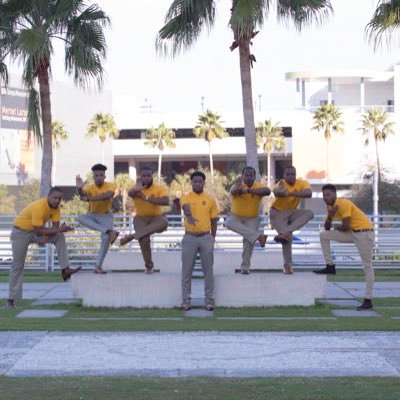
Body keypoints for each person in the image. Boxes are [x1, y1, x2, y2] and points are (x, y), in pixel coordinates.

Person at [6, 187, 81, 308]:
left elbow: (55, 227)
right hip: (20, 232)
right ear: (48, 196)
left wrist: (45, 238)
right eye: (55, 198)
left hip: (36, 232)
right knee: (18, 265)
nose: (57, 201)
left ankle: (65, 270)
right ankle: (11, 299)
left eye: (59, 199)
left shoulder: (56, 209)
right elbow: (39, 229)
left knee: (59, 236)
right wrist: (55, 230)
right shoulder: (39, 207)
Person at [314, 184, 375, 311]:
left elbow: (346, 226)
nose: (326, 197)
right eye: (324, 195)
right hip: (352, 233)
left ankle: (368, 300)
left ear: (335, 194)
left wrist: (335, 227)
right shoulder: (330, 206)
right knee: (324, 235)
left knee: (367, 266)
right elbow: (326, 227)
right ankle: (330, 266)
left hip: (364, 233)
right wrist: (330, 215)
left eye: (328, 194)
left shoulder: (344, 203)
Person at [180, 171, 218, 311]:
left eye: (200, 181)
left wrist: (212, 238)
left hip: (205, 237)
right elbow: (185, 206)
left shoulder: (210, 200)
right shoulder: (186, 197)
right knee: (186, 270)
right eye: (195, 181)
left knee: (208, 270)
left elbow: (214, 220)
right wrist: (189, 215)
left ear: (204, 183)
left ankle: (209, 301)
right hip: (189, 237)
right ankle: (185, 301)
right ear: (191, 183)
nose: (197, 183)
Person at [119, 167, 169, 273]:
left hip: (157, 218)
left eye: (148, 176)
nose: (146, 178)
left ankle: (132, 236)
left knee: (164, 222)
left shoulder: (159, 188)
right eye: (143, 176)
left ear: (152, 177)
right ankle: (149, 266)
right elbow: (130, 193)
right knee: (144, 239)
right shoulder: (136, 188)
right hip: (140, 218)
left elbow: (165, 201)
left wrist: (145, 197)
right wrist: (136, 190)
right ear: (140, 177)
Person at [225, 166, 271, 274]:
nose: (249, 177)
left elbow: (267, 191)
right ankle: (259, 236)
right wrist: (239, 189)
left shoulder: (258, 187)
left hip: (252, 218)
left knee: (248, 241)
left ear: (254, 177)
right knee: (228, 222)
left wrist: (249, 190)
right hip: (236, 217)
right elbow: (233, 191)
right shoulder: (238, 186)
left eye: (251, 175)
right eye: (246, 175)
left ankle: (245, 268)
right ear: (243, 176)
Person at [76, 164, 119, 274]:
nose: (99, 177)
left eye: (101, 175)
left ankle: (98, 266)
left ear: (105, 176)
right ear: (93, 177)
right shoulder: (89, 187)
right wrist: (79, 188)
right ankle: (110, 231)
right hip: (93, 215)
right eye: (96, 175)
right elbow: (82, 195)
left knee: (105, 239)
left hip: (106, 215)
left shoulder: (111, 185)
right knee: (79, 217)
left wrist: (89, 199)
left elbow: (107, 195)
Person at [269, 165, 314, 274]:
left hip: (291, 212)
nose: (290, 176)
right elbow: (276, 192)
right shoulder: (280, 184)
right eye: (288, 174)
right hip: (277, 213)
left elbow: (309, 193)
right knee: (287, 239)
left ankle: (285, 232)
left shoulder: (302, 183)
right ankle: (287, 266)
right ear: (284, 176)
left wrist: (291, 193)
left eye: (292, 174)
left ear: (295, 175)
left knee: (309, 213)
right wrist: (281, 191)